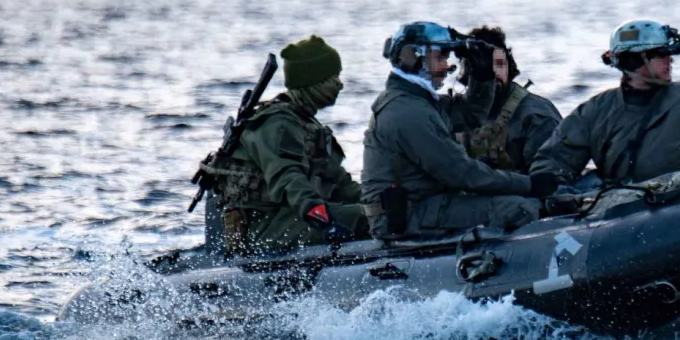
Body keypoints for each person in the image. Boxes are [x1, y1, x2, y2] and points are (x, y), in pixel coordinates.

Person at [361, 21, 552, 239]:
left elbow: (469, 114)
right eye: (440, 57)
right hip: (406, 216)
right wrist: (529, 184)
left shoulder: (416, 100)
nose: (446, 67)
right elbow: (460, 172)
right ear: (414, 58)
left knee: (512, 200)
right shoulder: (408, 113)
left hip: (423, 203)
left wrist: (481, 77)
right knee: (517, 208)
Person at [530, 20, 680, 186]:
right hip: (617, 213)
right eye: (661, 55)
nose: (669, 61)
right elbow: (555, 159)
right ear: (634, 61)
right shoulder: (594, 111)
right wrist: (552, 184)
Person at [206, 35, 366, 255]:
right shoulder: (279, 124)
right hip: (261, 230)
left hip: (290, 216)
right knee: (364, 218)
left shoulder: (306, 123)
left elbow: (340, 182)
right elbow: (288, 179)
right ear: (312, 81)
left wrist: (379, 201)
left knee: (374, 213)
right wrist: (323, 220)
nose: (340, 84)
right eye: (333, 77)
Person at [452, 25, 562, 174]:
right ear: (468, 70)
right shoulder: (454, 113)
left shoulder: (536, 116)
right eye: (485, 65)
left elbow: (550, 179)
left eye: (500, 64)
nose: (495, 72)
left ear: (509, 66)